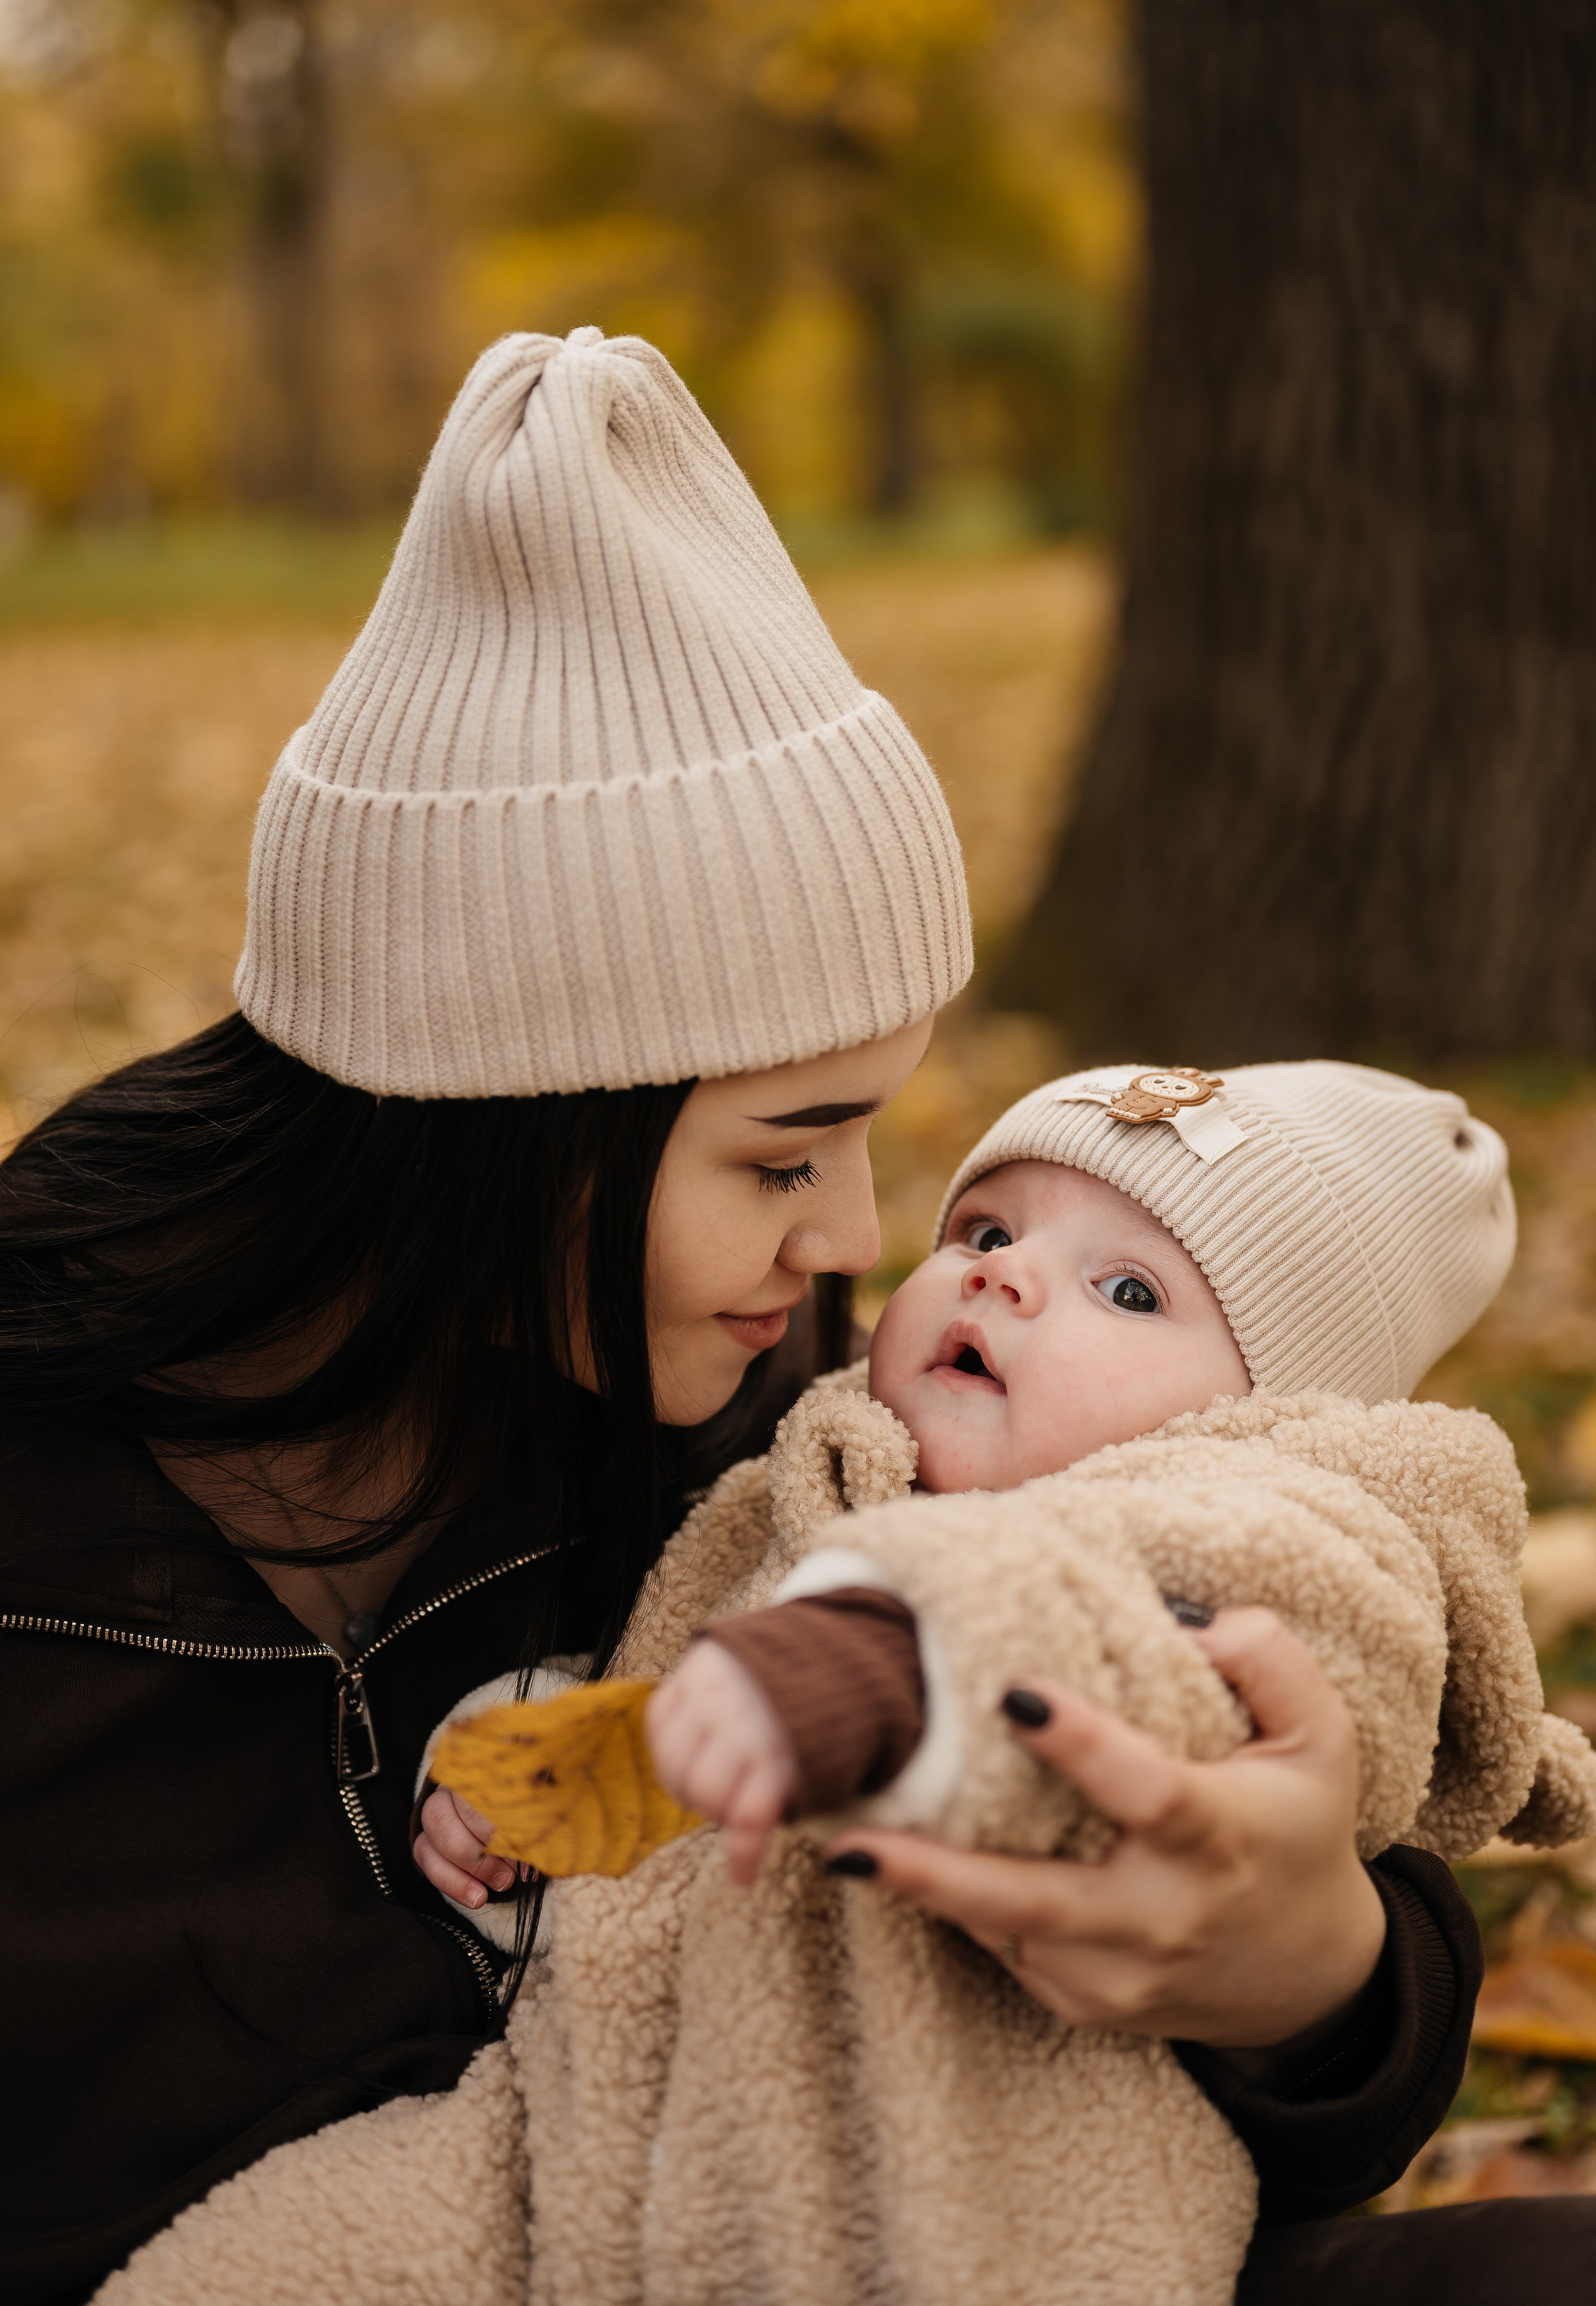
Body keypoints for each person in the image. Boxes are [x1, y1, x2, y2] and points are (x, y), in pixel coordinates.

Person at [0, 330, 1497, 2304]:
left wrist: (1320, 1978)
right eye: (787, 1158)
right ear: (511, 1124)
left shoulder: (776, 1393)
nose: (856, 1244)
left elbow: (1166, 1696)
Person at [372, 1059, 1594, 2306]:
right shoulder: (799, 1470)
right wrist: (535, 1767)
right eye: (985, 1228)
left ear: (1260, 1421)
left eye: (1125, 1289)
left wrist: (886, 1658)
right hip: (608, 2170)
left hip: (975, 2215)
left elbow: (1114, 1643)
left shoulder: (1256, 1539)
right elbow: (668, 1670)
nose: (999, 1273)